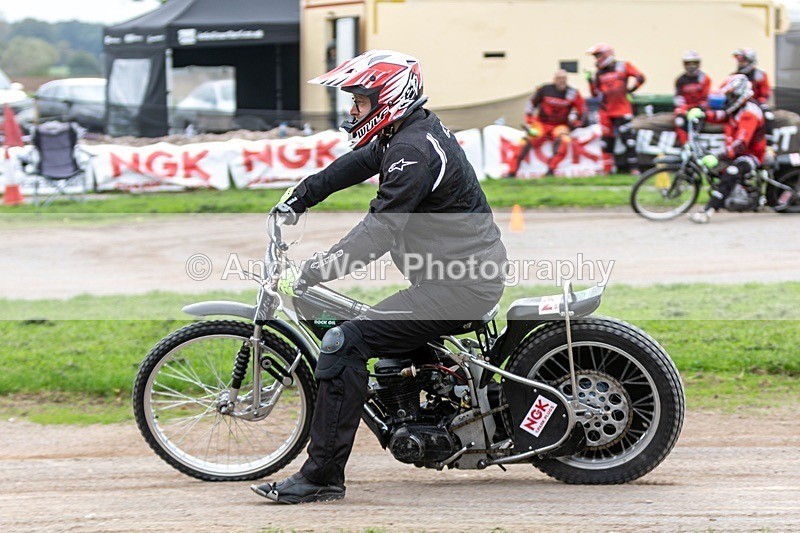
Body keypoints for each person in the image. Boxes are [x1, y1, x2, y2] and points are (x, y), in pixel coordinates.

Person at [250, 50, 508, 504]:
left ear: (389, 98)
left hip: (458, 286)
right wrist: (300, 197)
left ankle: (321, 477)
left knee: (344, 342)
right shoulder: (407, 133)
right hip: (455, 278)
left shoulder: (411, 150)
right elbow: (358, 163)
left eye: (360, 101)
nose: (353, 110)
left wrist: (315, 271)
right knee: (376, 334)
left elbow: (379, 231)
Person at [687, 74, 766, 224]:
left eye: (730, 96)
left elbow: (741, 144)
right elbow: (722, 116)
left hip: (751, 155)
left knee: (731, 173)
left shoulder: (749, 113)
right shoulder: (738, 108)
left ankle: (707, 211)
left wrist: (717, 156)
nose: (727, 99)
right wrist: (703, 115)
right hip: (737, 152)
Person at [508, 69, 586, 177]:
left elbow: (582, 110)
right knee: (526, 141)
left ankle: (551, 170)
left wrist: (576, 123)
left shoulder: (573, 93)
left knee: (564, 140)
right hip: (541, 123)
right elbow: (531, 104)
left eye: (564, 78)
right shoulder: (545, 89)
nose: (562, 81)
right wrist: (529, 121)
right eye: (559, 78)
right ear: (554, 79)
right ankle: (512, 172)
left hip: (560, 125)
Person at [585, 43, 645, 175]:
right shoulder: (599, 73)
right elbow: (595, 94)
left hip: (622, 109)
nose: (596, 59)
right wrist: (590, 81)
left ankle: (634, 169)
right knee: (606, 142)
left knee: (628, 140)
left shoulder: (623, 66)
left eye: (598, 56)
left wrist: (630, 90)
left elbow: (640, 77)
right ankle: (607, 170)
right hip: (606, 111)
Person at [733, 48, 774, 143]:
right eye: (740, 61)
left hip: (757, 104)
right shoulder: (735, 75)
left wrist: (759, 102)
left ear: (751, 61)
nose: (741, 64)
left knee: (768, 116)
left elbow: (765, 93)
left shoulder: (760, 75)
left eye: (744, 61)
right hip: (738, 104)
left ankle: (769, 142)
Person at [673, 51, 711, 146]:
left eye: (694, 63)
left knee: (695, 119)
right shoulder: (680, 80)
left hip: (700, 107)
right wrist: (683, 108)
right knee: (679, 120)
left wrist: (699, 108)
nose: (691, 66)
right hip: (686, 107)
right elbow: (678, 97)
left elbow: (706, 97)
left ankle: (696, 142)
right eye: (688, 63)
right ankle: (684, 144)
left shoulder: (704, 78)